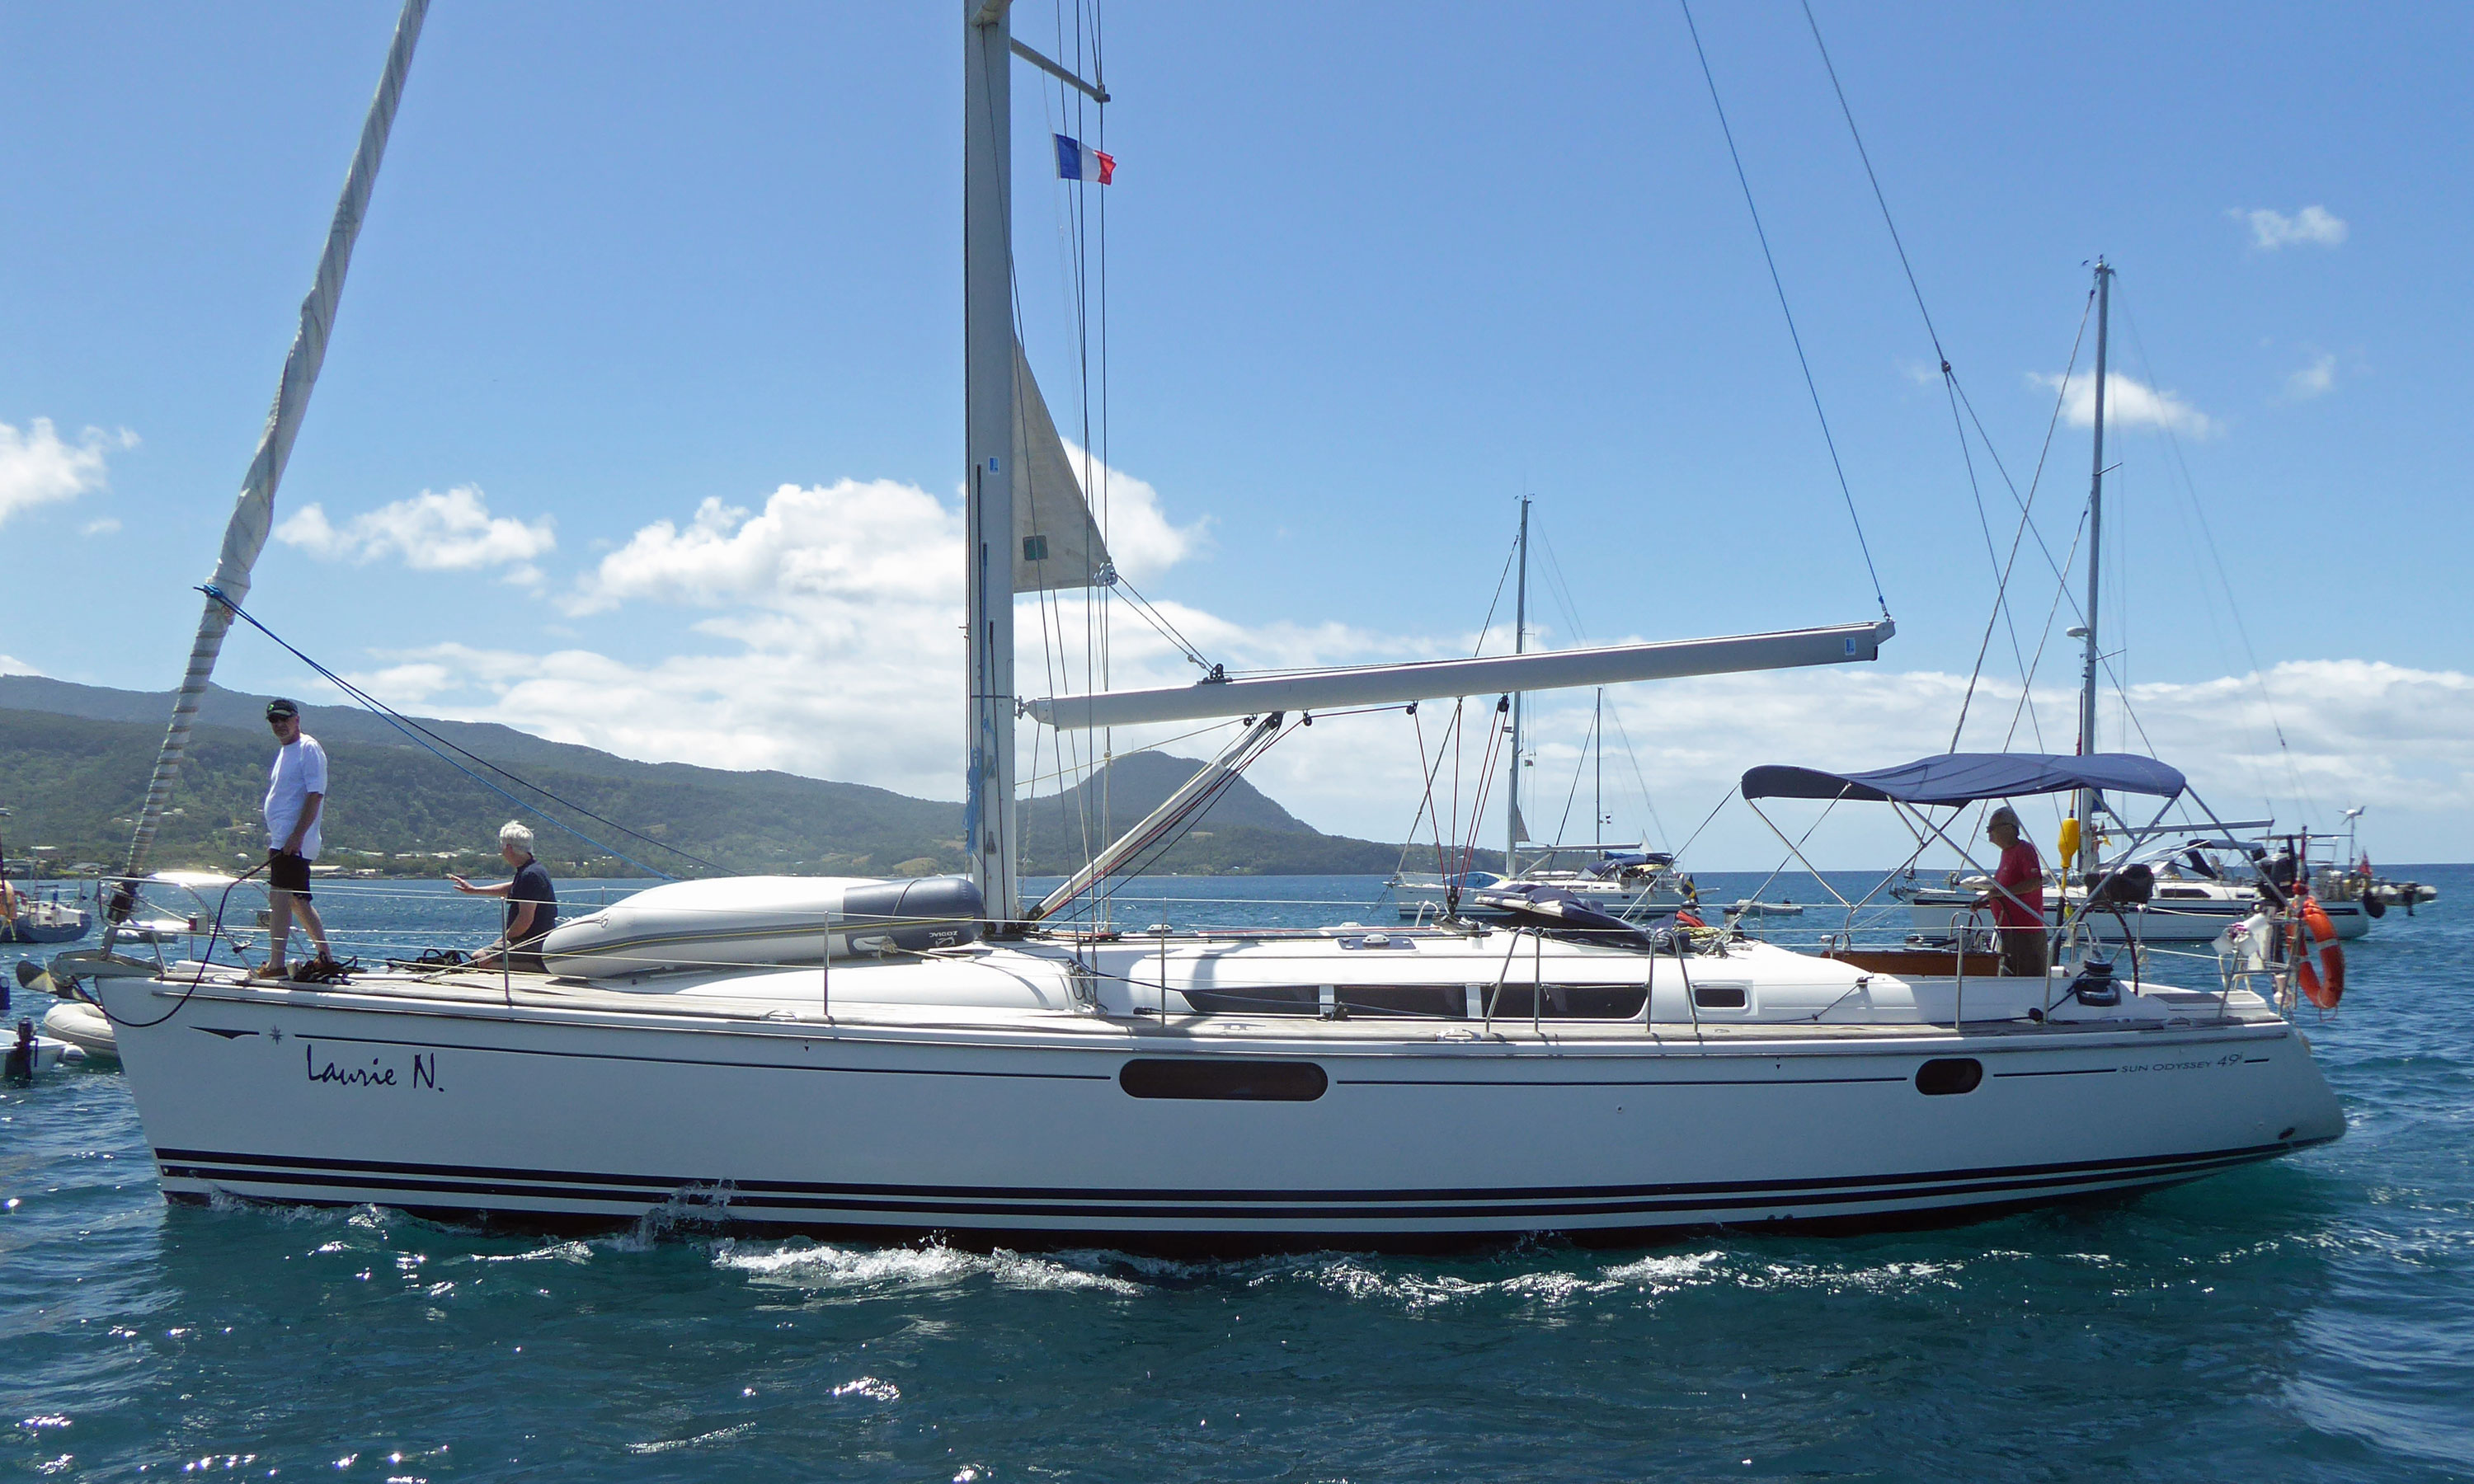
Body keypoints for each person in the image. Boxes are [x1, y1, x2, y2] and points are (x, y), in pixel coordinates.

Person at [253, 697, 335, 979]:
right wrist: (278, 839)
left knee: (279, 899)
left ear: (297, 719)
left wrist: (296, 836)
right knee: (297, 901)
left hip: (295, 841)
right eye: (274, 721)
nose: (279, 725)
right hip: (284, 840)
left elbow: (316, 794)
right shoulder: (286, 751)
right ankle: (325, 957)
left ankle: (276, 964)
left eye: (284, 719)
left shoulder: (308, 748)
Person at [451, 821, 558, 973]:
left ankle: (537, 967)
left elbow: (525, 920)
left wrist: (503, 940)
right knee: (483, 957)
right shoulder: (531, 870)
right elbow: (513, 887)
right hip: (537, 937)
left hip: (532, 940)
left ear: (508, 848)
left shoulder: (530, 875)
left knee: (479, 958)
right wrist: (474, 890)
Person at [1973, 805, 2049, 979]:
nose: (1988, 834)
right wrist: (1985, 900)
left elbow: (2034, 882)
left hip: (2025, 931)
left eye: (1991, 828)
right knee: (2008, 975)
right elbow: (2001, 889)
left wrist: (1999, 893)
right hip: (2008, 930)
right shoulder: (2006, 853)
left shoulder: (2024, 850)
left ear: (2008, 828)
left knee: (2026, 978)